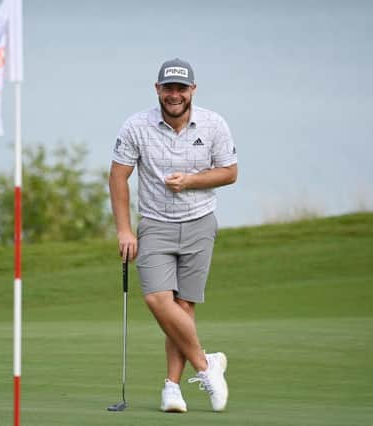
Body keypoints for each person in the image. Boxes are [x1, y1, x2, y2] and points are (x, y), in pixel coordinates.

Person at [109, 58, 238, 413]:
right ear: (158, 90)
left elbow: (230, 172)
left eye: (181, 89)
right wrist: (124, 229)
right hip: (154, 224)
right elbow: (118, 177)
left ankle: (172, 389)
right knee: (157, 299)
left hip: (199, 224)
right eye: (169, 88)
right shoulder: (136, 126)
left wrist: (191, 181)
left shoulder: (213, 125)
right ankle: (206, 365)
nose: (175, 95)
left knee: (183, 307)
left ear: (192, 90)